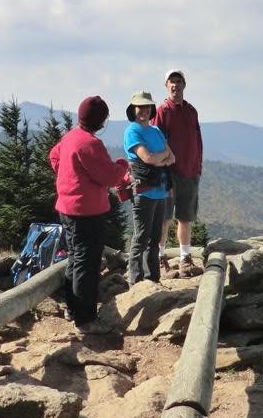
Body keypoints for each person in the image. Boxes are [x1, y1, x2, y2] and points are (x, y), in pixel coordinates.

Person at [48, 95, 118, 334]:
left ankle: (71, 307)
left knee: (75, 258)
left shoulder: (70, 137)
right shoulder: (90, 144)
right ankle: (85, 319)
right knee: (87, 263)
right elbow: (109, 176)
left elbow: (54, 156)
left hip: (66, 208)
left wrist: (66, 172)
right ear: (99, 120)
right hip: (87, 212)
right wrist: (123, 167)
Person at [123, 91, 175, 285]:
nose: (144, 110)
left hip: (159, 190)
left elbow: (173, 158)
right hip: (143, 191)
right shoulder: (132, 131)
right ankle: (135, 281)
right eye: (140, 106)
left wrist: (157, 159)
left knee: (155, 238)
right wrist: (160, 158)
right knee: (141, 237)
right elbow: (148, 158)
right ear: (133, 109)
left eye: (147, 106)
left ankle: (152, 279)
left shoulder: (156, 131)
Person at [154, 69, 203, 274]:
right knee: (164, 218)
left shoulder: (191, 111)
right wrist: (162, 169)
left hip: (190, 171)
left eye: (178, 81)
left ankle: (185, 257)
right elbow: (157, 141)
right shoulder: (162, 111)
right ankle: (159, 257)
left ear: (184, 84)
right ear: (166, 86)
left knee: (186, 217)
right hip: (169, 172)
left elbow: (197, 139)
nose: (175, 85)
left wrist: (198, 166)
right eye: (171, 81)